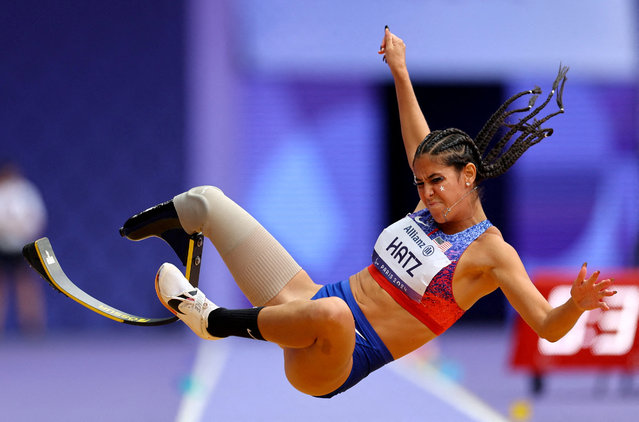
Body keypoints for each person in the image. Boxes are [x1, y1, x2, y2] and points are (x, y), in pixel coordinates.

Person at [120, 28, 616, 398]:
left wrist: (575, 303)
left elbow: (548, 326)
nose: (427, 193)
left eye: (437, 182)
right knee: (205, 201)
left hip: (337, 358)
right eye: (420, 183)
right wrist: (400, 70)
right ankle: (175, 237)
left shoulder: (492, 252)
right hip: (310, 301)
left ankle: (213, 321)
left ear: (469, 177)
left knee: (335, 313)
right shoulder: (429, 204)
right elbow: (418, 139)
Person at [0, 161, 47, 336]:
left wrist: (24, 231)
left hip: (23, 245)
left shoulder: (27, 192)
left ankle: (32, 325)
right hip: (2, 246)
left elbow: (37, 217)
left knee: (27, 285)